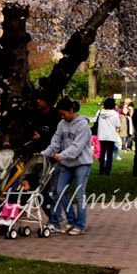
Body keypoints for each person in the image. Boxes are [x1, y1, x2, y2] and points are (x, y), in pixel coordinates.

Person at [42, 98, 94, 235]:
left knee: (79, 194)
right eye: (60, 114)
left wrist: (62, 155)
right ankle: (71, 220)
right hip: (66, 164)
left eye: (64, 114)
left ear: (71, 110)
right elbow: (55, 143)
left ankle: (80, 225)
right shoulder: (61, 124)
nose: (62, 117)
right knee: (60, 192)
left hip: (81, 164)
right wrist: (43, 154)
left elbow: (77, 147)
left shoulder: (83, 125)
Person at [94, 97, 122, 176]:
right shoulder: (115, 114)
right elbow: (118, 125)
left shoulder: (100, 112)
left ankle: (101, 170)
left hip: (102, 135)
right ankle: (107, 171)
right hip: (111, 136)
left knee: (102, 153)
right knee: (109, 154)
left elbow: (95, 120)